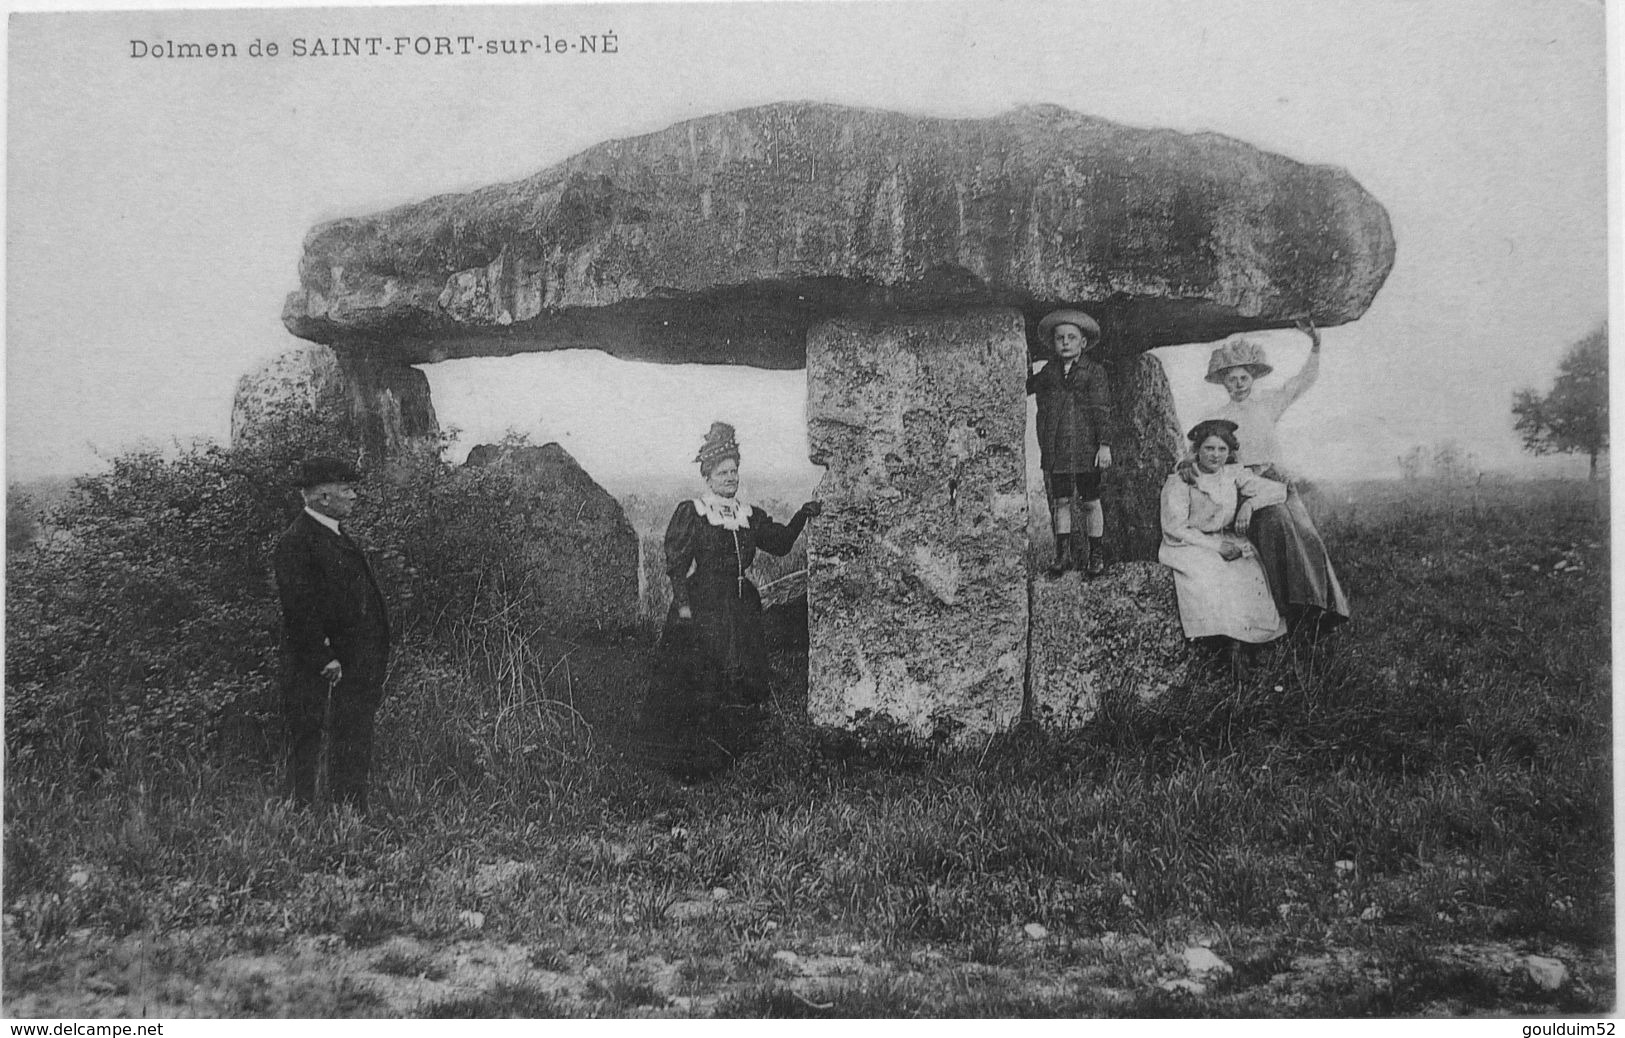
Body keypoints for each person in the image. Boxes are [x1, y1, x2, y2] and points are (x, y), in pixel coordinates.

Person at [641, 422, 821, 780]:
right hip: (704, 605)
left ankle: (738, 749)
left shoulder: (748, 515)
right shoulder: (693, 512)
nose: (730, 477)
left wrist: (803, 514)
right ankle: (696, 759)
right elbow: (676, 564)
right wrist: (683, 606)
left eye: (734, 470)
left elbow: (781, 543)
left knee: (742, 673)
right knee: (702, 677)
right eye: (723, 472)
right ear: (707, 476)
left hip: (740, 606)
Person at [1193, 320, 1351, 630]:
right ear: (1224, 383)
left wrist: (1316, 346)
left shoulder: (1269, 404)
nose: (1238, 384)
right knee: (1277, 528)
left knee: (1306, 534)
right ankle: (1289, 611)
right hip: (1245, 487)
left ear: (1252, 378)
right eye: (1231, 379)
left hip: (1277, 481)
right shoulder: (1221, 417)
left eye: (1243, 378)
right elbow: (1201, 451)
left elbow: (1301, 381)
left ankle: (1323, 611)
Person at [273, 456, 392, 812]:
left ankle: (349, 808)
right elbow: (299, 609)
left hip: (353, 661)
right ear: (323, 497)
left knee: (353, 733)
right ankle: (305, 813)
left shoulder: (334, 534)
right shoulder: (298, 541)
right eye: (347, 489)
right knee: (309, 735)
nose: (355, 496)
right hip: (324, 664)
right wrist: (324, 658)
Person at [1160, 420, 1289, 663]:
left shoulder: (1232, 475)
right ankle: (1226, 649)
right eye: (1209, 448)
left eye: (1222, 450)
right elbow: (1174, 527)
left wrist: (1249, 505)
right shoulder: (1181, 480)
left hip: (1226, 538)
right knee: (1214, 575)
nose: (1215, 455)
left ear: (1229, 453)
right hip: (1189, 543)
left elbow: (1277, 491)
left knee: (1250, 573)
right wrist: (1217, 547)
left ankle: (1251, 645)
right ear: (1197, 450)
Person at [1027, 309, 1115, 579]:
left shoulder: (1094, 371)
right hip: (1058, 448)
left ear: (1083, 343)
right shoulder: (1049, 372)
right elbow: (1027, 385)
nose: (1065, 342)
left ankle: (1095, 554)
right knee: (1062, 500)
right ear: (1053, 344)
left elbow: (1102, 408)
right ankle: (1062, 555)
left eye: (1071, 338)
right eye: (1059, 338)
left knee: (1091, 501)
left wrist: (1104, 444)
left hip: (1086, 447)